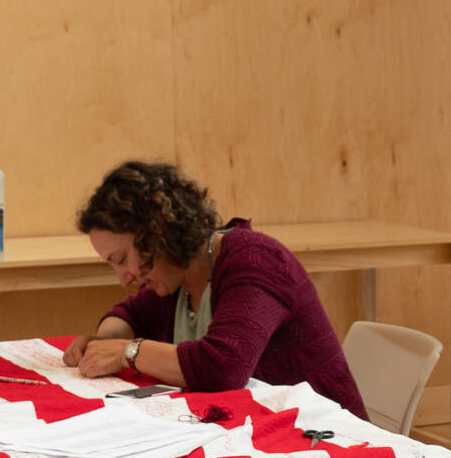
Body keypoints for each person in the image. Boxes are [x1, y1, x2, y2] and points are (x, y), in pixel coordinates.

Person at [63, 161, 368, 419]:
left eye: (122, 260)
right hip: (259, 430)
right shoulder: (176, 279)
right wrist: (102, 343)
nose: (123, 278)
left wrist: (128, 352)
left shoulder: (257, 261)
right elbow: (129, 314)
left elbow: (223, 366)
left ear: (157, 233)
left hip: (326, 435)